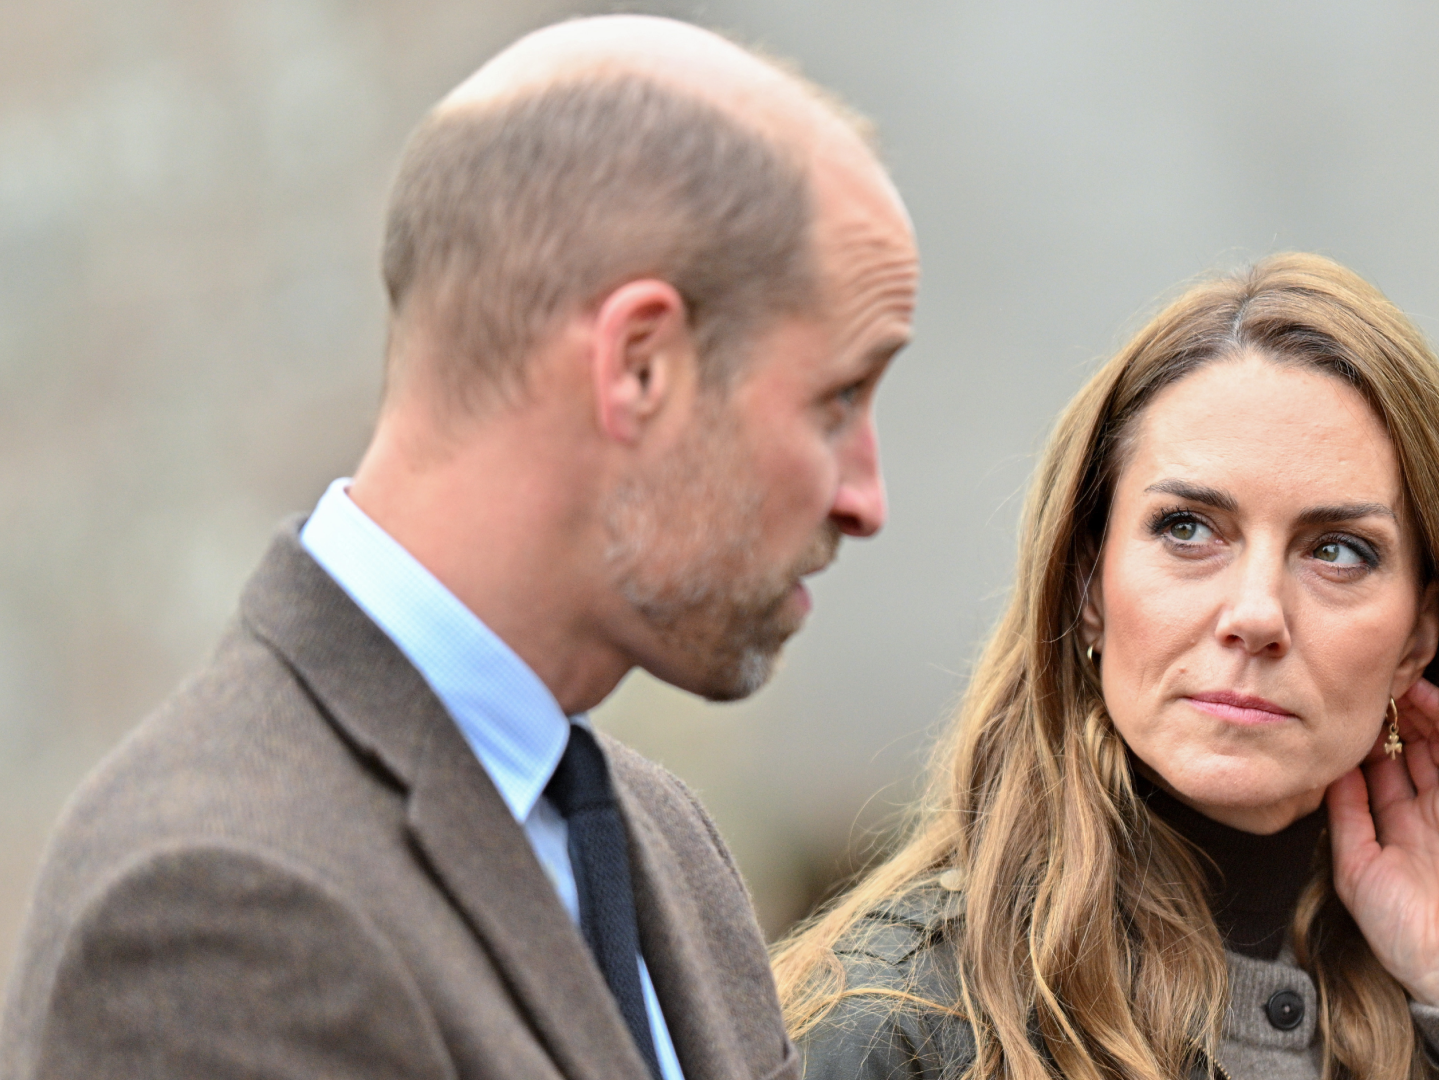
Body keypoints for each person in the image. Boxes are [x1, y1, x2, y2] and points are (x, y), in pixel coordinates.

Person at [2, 14, 917, 1080]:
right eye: (837, 398)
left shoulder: (662, 843)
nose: (865, 498)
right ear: (638, 367)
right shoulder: (214, 898)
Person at [774, 254, 1439, 1080]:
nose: (1255, 615)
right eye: (1188, 529)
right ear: (1089, 585)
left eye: (1339, 551)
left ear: (1417, 640)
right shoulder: (896, 1024)